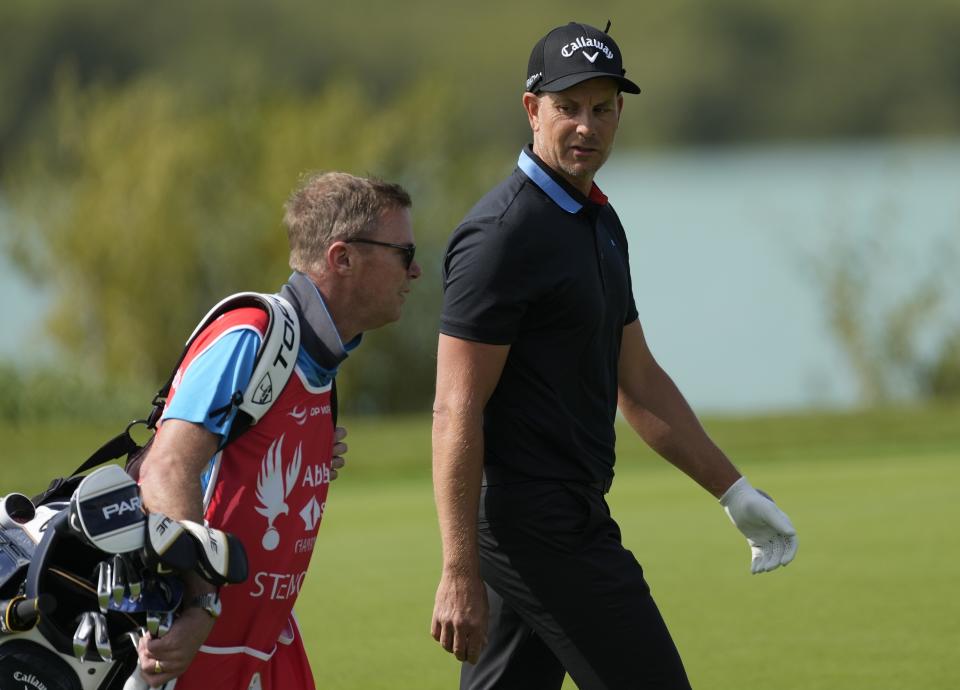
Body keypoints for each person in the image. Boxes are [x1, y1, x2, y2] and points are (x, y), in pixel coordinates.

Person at [430, 21, 798, 690]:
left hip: (561, 511)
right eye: (568, 108)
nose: (585, 126)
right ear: (531, 108)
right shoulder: (501, 236)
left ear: (620, 113)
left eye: (602, 109)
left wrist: (732, 490)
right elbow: (456, 409)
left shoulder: (597, 220)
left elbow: (639, 381)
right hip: (535, 524)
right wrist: (458, 569)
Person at [134, 172, 421, 689]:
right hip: (189, 645)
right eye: (404, 252)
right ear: (343, 258)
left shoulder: (320, 359)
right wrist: (201, 602)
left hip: (261, 644)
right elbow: (166, 467)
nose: (416, 269)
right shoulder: (252, 334)